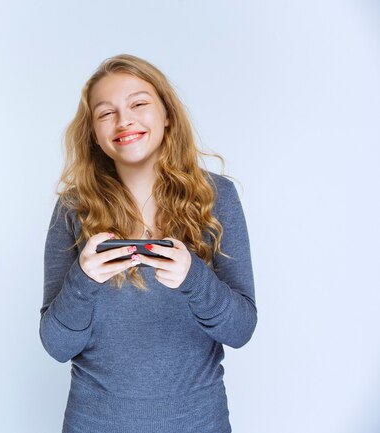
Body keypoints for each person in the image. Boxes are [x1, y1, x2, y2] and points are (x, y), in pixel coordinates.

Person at [39, 54, 257, 433]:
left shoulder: (217, 197)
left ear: (168, 113)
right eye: (106, 113)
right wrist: (83, 281)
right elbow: (57, 347)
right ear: (93, 131)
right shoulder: (74, 209)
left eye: (139, 103)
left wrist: (194, 278)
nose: (124, 120)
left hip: (198, 424)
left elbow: (241, 331)